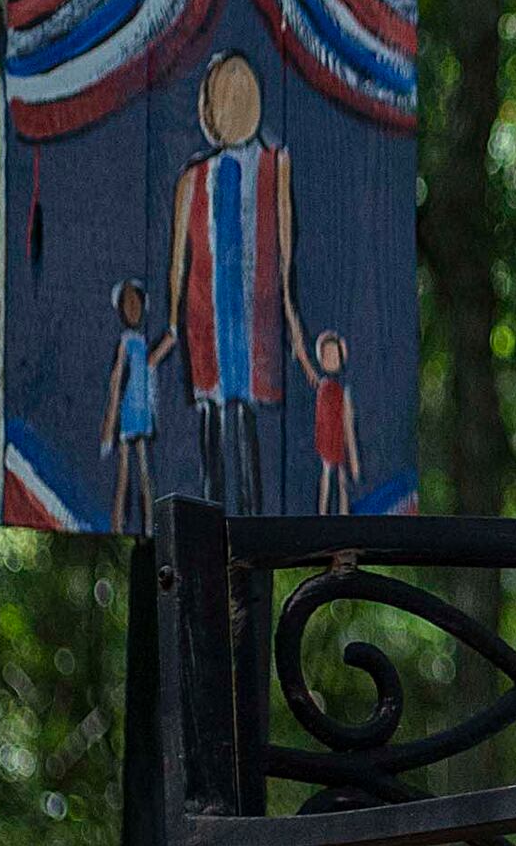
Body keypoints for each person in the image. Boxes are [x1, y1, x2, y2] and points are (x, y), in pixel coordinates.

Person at [161, 50, 307, 513]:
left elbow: (286, 249)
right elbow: (177, 264)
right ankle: (212, 512)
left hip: (253, 316)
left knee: (244, 415)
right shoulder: (193, 178)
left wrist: (292, 319)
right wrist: (170, 325)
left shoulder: (274, 164)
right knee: (211, 413)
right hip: (206, 313)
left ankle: (249, 515)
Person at [107, 280, 171, 531]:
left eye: (136, 303)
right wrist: (112, 415)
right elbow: (117, 376)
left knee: (145, 475)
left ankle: (148, 525)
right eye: (127, 304)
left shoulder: (142, 341)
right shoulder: (126, 341)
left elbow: (150, 364)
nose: (132, 308)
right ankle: (117, 523)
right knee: (124, 473)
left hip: (143, 413)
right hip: (128, 413)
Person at [308, 328, 358, 513]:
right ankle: (322, 514)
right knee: (327, 475)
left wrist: (353, 459)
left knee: (342, 480)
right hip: (326, 439)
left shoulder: (342, 391)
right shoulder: (323, 387)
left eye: (334, 355)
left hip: (339, 438)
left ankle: (343, 515)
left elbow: (347, 423)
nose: (331, 360)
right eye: (327, 356)